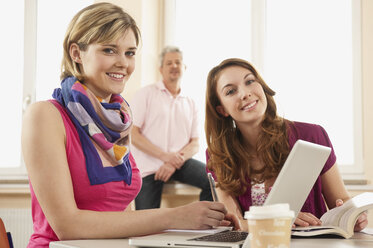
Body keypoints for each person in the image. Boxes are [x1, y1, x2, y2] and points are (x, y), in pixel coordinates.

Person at [21, 3, 234, 247]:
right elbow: (68, 226)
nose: (123, 63)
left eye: (130, 53)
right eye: (109, 50)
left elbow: (123, 218)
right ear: (76, 54)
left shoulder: (118, 120)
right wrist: (176, 216)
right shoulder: (45, 116)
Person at [204, 58, 368, 231]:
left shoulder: (311, 135)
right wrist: (277, 221)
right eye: (230, 91)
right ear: (222, 110)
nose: (245, 93)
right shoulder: (218, 154)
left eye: (250, 81)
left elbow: (340, 200)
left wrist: (352, 217)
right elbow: (235, 223)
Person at [131, 46, 212, 210]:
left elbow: (195, 142)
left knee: (212, 180)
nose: (174, 66)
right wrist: (165, 157)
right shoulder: (145, 94)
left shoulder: (191, 101)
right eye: (169, 63)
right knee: (146, 223)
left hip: (180, 163)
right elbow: (133, 134)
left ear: (184, 68)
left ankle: (205, 226)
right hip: (149, 167)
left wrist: (175, 161)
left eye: (178, 62)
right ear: (161, 69)